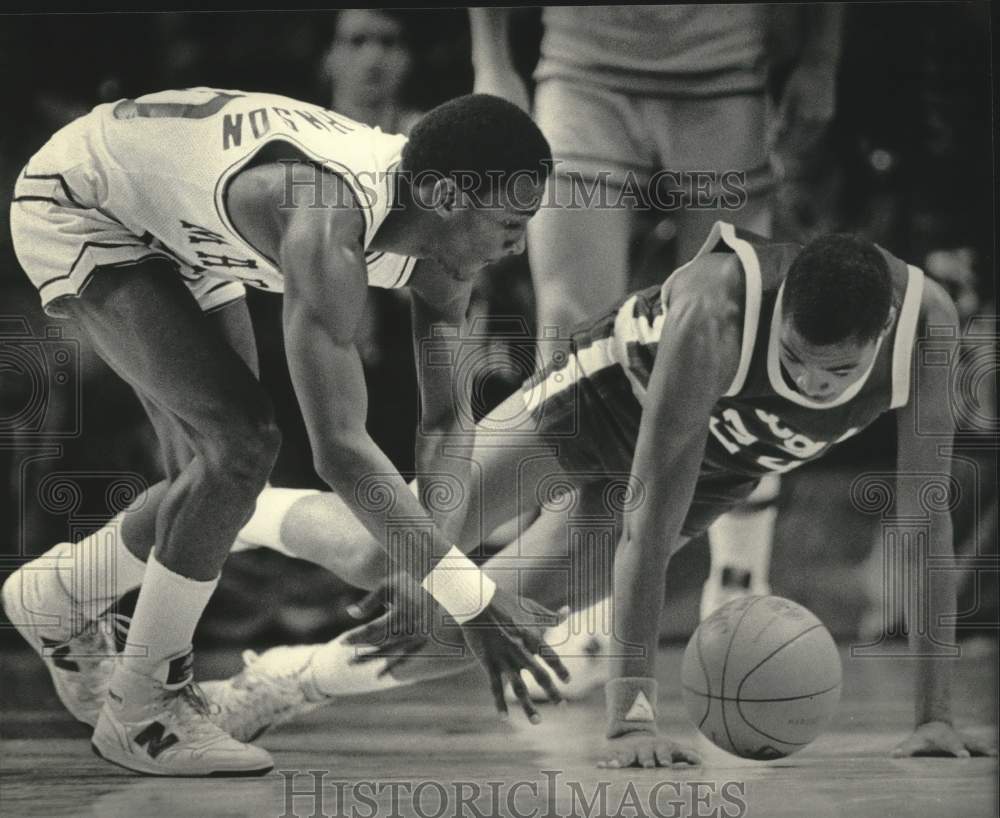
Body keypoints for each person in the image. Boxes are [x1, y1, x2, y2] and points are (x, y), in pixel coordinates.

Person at [200, 222, 995, 764]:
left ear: (883, 331)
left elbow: (925, 527)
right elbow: (648, 526)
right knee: (385, 552)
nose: (811, 382)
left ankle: (282, 681)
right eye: (796, 359)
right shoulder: (717, 312)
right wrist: (634, 714)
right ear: (779, 310)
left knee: (481, 627)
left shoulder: (929, 328)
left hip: (719, 465)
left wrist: (932, 717)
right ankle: (236, 507)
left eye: (837, 374)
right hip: (604, 399)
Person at [2, 87, 565, 777]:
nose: (519, 243)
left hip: (170, 208)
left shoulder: (440, 248)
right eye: (512, 222)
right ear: (448, 197)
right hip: (87, 201)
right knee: (240, 447)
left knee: (214, 483)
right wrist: (470, 597)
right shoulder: (327, 226)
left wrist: (431, 568)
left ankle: (59, 594)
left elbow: (448, 420)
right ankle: (144, 709)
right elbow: (339, 451)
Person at [468, 4, 844, 635]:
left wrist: (821, 57)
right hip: (582, 66)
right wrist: (491, 59)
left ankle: (738, 582)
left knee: (735, 328)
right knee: (569, 332)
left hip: (723, 68)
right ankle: (579, 605)